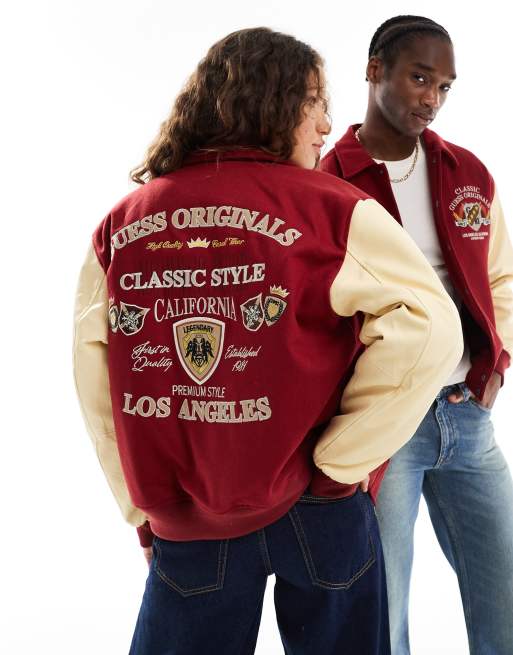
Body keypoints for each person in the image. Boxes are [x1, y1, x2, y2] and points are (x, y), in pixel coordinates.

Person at [73, 27, 462, 655]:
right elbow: (432, 329)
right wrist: (340, 463)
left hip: (188, 517)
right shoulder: (335, 209)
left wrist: (140, 506)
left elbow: (95, 381)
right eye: (314, 103)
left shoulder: (124, 222)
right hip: (319, 506)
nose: (327, 123)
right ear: (272, 102)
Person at [321, 15, 513, 655]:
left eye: (445, 86)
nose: (432, 99)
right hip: (384, 426)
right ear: (375, 70)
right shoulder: (327, 181)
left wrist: (495, 365)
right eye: (420, 78)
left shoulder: (467, 173)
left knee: (506, 593)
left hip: (466, 417)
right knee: (381, 609)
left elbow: (501, 277)